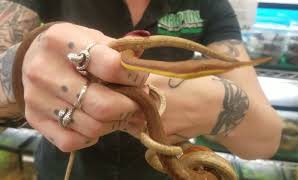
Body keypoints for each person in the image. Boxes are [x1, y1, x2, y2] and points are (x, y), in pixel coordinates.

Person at [0, 0, 283, 179]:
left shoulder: (210, 6)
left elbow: (267, 140)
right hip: (64, 167)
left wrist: (216, 102)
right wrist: (20, 66)